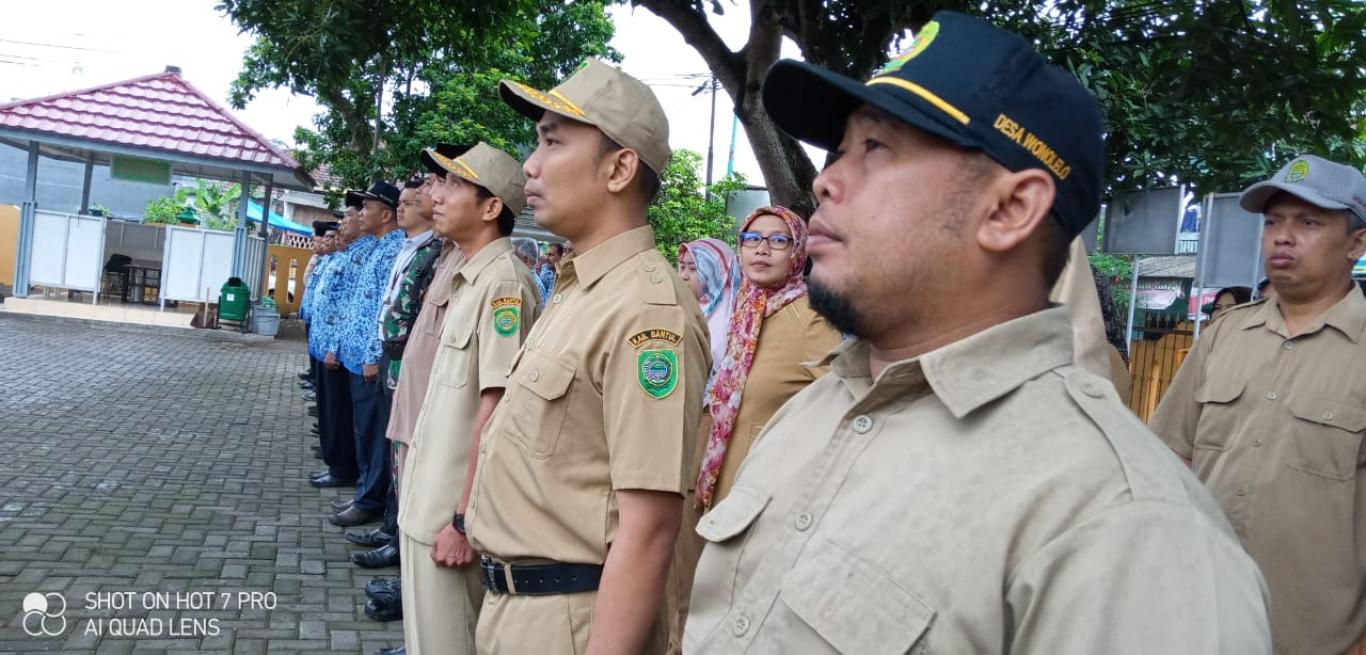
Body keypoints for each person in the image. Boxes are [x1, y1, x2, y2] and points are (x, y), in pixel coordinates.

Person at [683, 12, 1271, 653]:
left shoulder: (1126, 528)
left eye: (876, 148)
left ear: (1010, 210)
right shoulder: (816, 407)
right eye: (840, 149)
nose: (826, 179)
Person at [464, 58, 710, 655]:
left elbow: (649, 531)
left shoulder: (649, 313)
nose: (530, 164)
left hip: (571, 622)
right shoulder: (582, 287)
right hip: (516, 607)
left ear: (620, 167)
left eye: (552, 142)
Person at [1150, 154, 1366, 654]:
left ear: (1357, 242)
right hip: (1199, 617)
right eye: (1273, 223)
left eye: (1308, 222)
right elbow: (1167, 461)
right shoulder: (1224, 335)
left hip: (1316, 633)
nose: (1282, 237)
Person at [668, 206, 839, 650]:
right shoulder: (742, 306)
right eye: (752, 238)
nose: (762, 249)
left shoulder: (810, 317)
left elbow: (842, 409)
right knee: (685, 600)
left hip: (756, 502)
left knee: (730, 615)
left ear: (798, 251)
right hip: (703, 487)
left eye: (778, 240)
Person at [398, 141, 538, 655]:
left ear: (491, 206)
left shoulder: (504, 284)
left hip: (447, 520)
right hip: (424, 505)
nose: (437, 194)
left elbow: (497, 407)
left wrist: (463, 521)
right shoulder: (467, 277)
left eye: (455, 184)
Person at [368, 152, 471, 631]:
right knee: (404, 486)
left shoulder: (493, 276)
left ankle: (415, 608)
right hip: (413, 390)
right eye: (434, 183)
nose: (434, 193)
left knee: (422, 505)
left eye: (445, 183)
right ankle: (410, 600)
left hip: (438, 411)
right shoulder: (447, 255)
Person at [349, 179, 441, 570]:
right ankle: (390, 526)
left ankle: (396, 531)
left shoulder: (436, 251)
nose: (406, 206)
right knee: (391, 446)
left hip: (409, 360)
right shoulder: (411, 248)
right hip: (392, 353)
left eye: (410, 201)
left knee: (402, 448)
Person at [330, 181, 405, 528]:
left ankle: (371, 497)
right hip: (358, 353)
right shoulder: (378, 246)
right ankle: (365, 489)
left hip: (370, 357)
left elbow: (383, 307)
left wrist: (373, 355)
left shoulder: (393, 249)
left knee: (374, 433)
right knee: (364, 429)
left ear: (385, 214)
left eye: (367, 207)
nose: (361, 213)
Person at [310, 195, 366, 491]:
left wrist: (334, 345)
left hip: (338, 347)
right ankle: (335, 460)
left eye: (348, 217)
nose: (343, 223)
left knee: (339, 412)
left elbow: (347, 306)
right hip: (324, 343)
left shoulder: (357, 257)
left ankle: (342, 466)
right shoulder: (340, 257)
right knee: (330, 409)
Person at [677, 238, 741, 377]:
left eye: (693, 268)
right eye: (682, 267)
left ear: (715, 272)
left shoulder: (736, 319)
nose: (683, 276)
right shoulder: (681, 309)